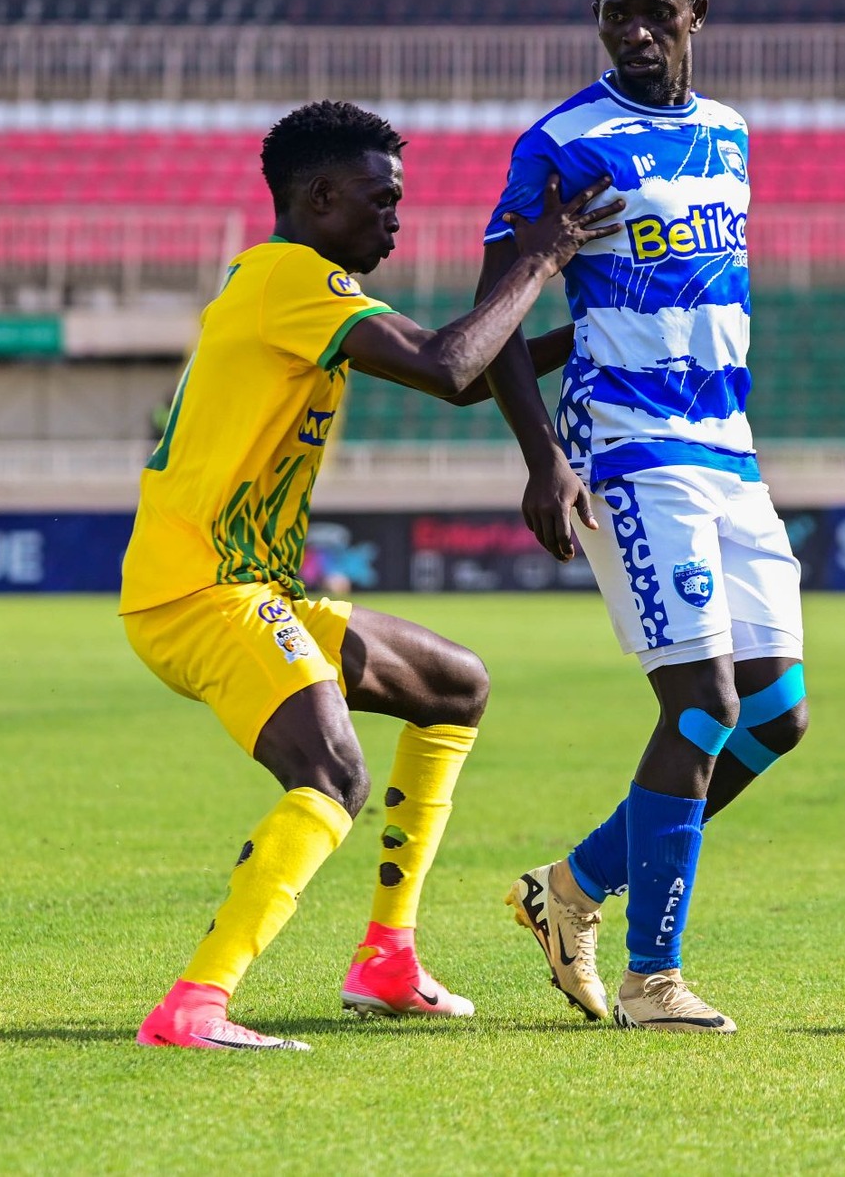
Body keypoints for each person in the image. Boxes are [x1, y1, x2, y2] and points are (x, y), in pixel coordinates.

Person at [124, 100, 623, 1051]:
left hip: (252, 588)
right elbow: (448, 364)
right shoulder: (291, 278)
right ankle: (194, 1005)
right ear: (318, 198)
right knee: (333, 772)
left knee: (453, 686)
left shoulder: (297, 287)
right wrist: (542, 256)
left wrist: (598, 348)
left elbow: (471, 372)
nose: (396, 218)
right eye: (379, 200)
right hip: (199, 592)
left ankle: (387, 958)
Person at [477, 0, 811, 1034]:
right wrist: (544, 457)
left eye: (652, 11)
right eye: (613, 10)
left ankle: (567, 888)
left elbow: (639, 296)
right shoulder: (561, 143)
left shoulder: (729, 134)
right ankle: (649, 976)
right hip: (629, 447)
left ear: (694, 15)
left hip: (728, 444)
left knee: (775, 712)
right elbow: (500, 316)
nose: (631, 29)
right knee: (702, 701)